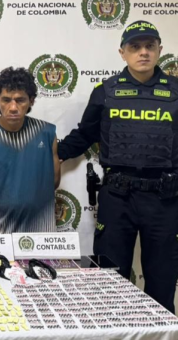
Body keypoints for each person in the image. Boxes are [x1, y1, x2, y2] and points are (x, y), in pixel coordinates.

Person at [58, 20, 178, 313]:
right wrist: (51, 154)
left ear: (159, 50)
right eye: (135, 47)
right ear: (122, 52)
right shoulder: (105, 91)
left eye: (149, 46)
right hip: (117, 197)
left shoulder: (176, 90)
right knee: (109, 281)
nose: (143, 52)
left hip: (164, 200)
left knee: (162, 281)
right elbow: (85, 134)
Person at [0, 67, 60, 234]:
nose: (13, 107)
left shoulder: (46, 133)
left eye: (20, 100)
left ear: (31, 101)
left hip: (42, 233)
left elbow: (54, 181)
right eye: (6, 100)